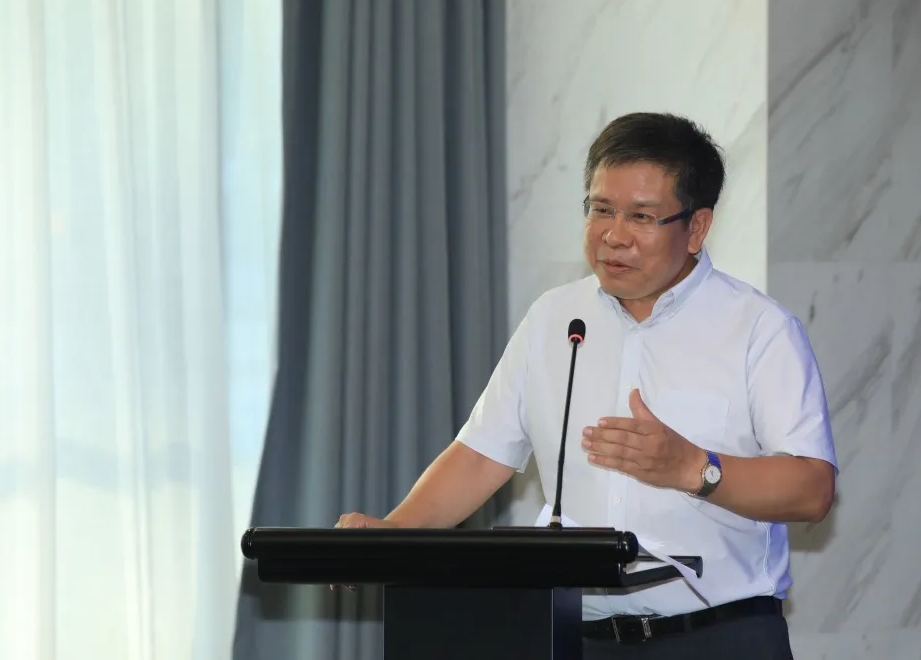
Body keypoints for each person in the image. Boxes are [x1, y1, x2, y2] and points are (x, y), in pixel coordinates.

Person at [336, 112, 837, 659]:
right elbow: (480, 457)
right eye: (601, 209)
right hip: (574, 640)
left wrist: (692, 467)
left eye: (641, 216)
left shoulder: (759, 329)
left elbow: (812, 489)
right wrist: (389, 536)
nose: (613, 236)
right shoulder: (555, 318)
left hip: (719, 638)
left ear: (696, 228)